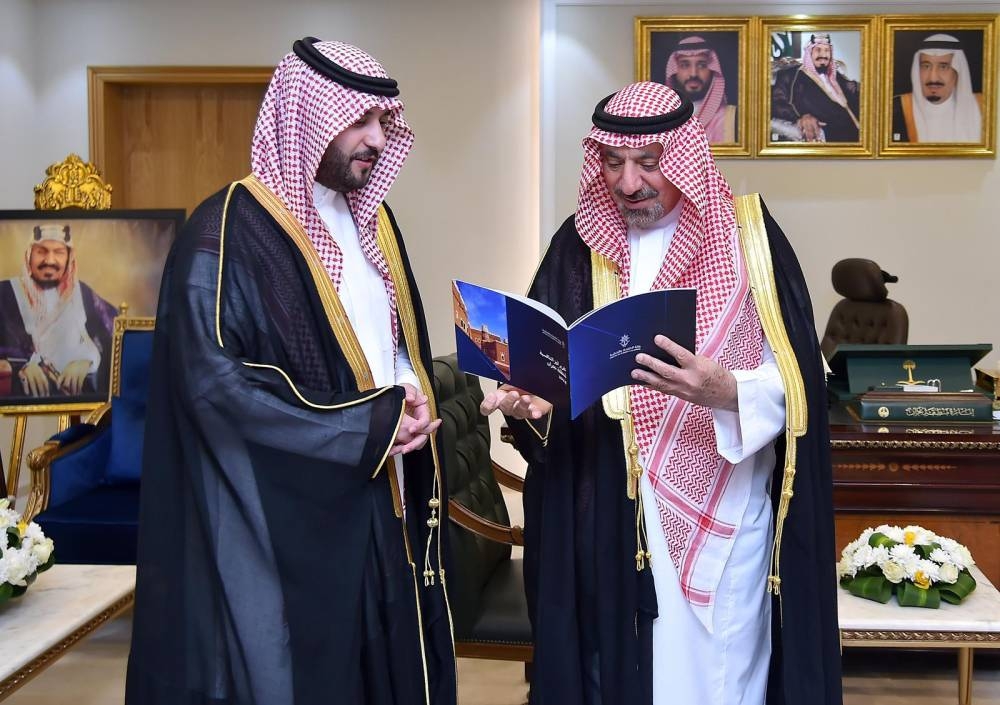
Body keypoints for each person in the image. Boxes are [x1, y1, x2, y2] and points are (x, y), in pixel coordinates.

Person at [481, 82, 841, 705]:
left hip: (726, 517)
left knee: (719, 681)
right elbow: (546, 373)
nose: (629, 183)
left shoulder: (749, 239)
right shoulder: (577, 245)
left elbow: (802, 386)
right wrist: (531, 402)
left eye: (649, 163)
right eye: (613, 163)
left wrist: (725, 390)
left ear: (683, 155)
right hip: (610, 517)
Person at [125, 38, 457, 705]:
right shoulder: (225, 233)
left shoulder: (375, 221)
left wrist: (409, 390)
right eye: (358, 121)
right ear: (306, 116)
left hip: (379, 499)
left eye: (383, 122)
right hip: (283, 526)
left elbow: (388, 339)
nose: (376, 139)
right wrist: (367, 423)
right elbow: (215, 389)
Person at [0, 223, 116, 399]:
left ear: (69, 258)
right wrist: (19, 368)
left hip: (81, 401)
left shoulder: (83, 294)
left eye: (59, 252)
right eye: (41, 251)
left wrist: (88, 361)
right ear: (29, 256)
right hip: (23, 402)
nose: (50, 260)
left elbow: (115, 343)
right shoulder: (5, 292)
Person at [891, 33, 983, 143]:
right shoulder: (896, 108)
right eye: (926, 66)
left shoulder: (983, 106)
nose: (933, 77)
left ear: (957, 71)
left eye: (943, 67)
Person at [771, 32, 860, 142]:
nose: (823, 55)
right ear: (809, 53)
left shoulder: (835, 76)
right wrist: (801, 117)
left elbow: (852, 91)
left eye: (827, 50)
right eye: (818, 50)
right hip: (831, 133)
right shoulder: (792, 75)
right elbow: (777, 102)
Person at [665, 35, 737, 144]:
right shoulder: (661, 118)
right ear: (674, 70)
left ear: (712, 70)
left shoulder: (730, 118)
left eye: (702, 65)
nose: (693, 74)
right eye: (685, 65)